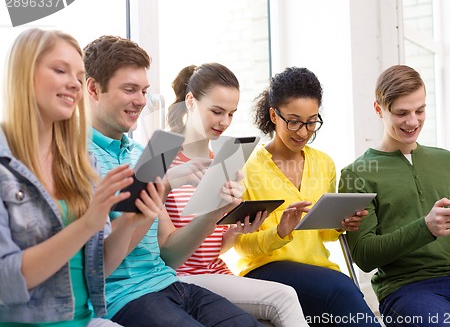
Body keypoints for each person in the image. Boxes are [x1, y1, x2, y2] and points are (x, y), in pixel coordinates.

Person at [83, 35, 264, 327]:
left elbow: (169, 255)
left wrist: (216, 212)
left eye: (144, 91)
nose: (141, 101)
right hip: (121, 296)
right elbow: (95, 264)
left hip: (169, 284)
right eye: (130, 89)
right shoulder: (77, 158)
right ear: (92, 88)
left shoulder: (147, 153)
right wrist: (162, 187)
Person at [0, 28, 164, 326]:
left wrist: (133, 220)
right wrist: (88, 223)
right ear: (24, 74)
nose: (74, 84)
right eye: (60, 70)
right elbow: (7, 281)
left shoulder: (80, 162)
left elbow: (98, 267)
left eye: (78, 75)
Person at [339, 64, 450, 327]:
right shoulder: (357, 173)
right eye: (401, 113)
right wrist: (426, 227)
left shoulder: (448, 161)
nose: (413, 122)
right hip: (406, 291)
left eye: (420, 110)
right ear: (379, 109)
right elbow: (365, 257)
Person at [165, 63, 309, 327]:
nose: (224, 122)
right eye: (217, 111)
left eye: (231, 113)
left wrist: (237, 230)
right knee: (284, 297)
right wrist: (216, 212)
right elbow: (168, 255)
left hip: (215, 272)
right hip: (179, 277)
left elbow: (213, 249)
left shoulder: (224, 159)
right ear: (190, 102)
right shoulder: (163, 158)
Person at [235, 67, 380, 327]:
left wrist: (340, 224)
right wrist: (278, 233)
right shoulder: (247, 167)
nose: (303, 132)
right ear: (273, 115)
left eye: (311, 122)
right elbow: (240, 244)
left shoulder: (324, 163)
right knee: (342, 289)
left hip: (319, 274)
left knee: (340, 292)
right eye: (293, 121)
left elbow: (324, 233)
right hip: (264, 272)